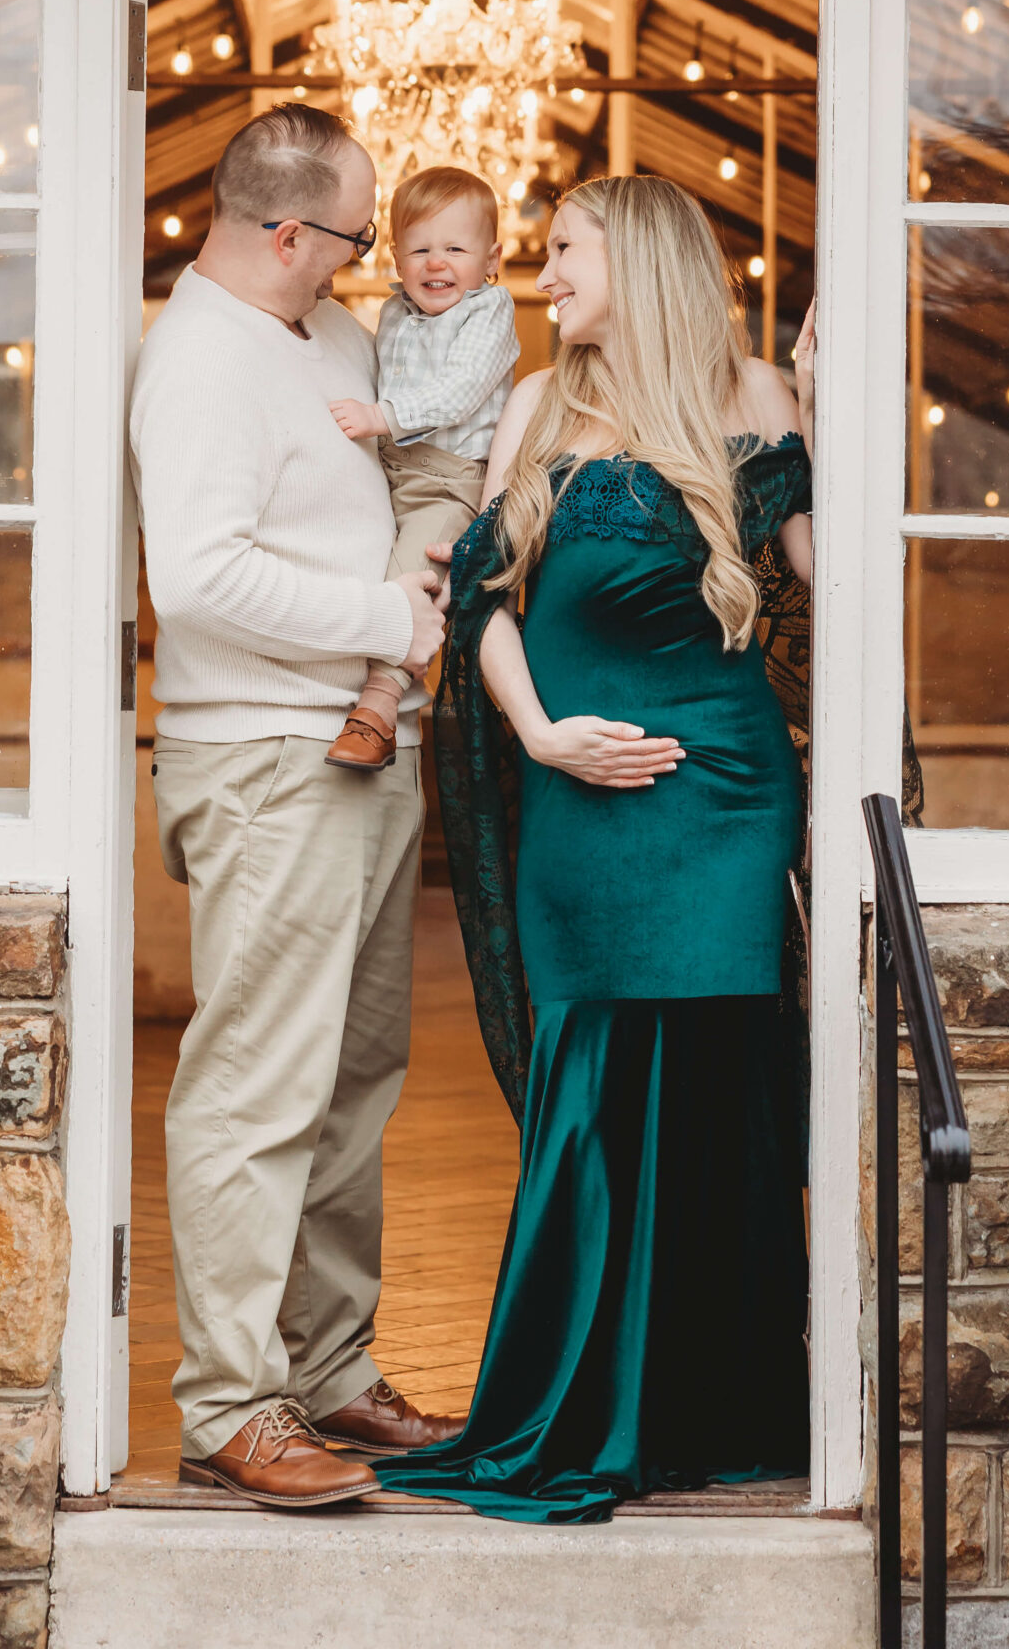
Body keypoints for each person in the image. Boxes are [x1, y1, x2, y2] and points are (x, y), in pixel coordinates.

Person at [375, 172, 818, 1523]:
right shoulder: (535, 404)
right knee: (591, 1087)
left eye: (565, 251)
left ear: (639, 257)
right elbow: (480, 608)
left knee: (719, 1091)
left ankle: (715, 1413)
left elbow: (829, 572)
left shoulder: (748, 397)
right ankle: (576, 1411)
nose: (545, 276)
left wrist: (829, 408)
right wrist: (540, 733)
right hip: (576, 791)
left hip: (725, 797)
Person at [129, 103, 465, 1509]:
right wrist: (385, 613)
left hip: (361, 753)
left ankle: (328, 1367)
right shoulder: (199, 359)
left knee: (351, 1082)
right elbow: (197, 579)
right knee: (255, 1090)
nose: (369, 257)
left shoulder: (324, 338)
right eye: (356, 233)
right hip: (263, 760)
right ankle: (227, 1406)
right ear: (284, 233)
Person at [325, 166, 520, 769]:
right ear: (395, 254)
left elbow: (460, 392)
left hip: (448, 478)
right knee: (366, 568)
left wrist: (380, 416)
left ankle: (378, 711)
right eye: (420, 248)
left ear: (492, 257)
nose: (437, 263)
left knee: (413, 583)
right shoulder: (391, 313)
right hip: (392, 470)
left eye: (456, 249)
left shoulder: (489, 312)